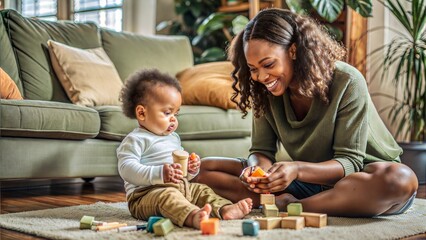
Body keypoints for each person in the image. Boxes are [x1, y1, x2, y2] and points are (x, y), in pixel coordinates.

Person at [194, 8, 419, 217]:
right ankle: (296, 202)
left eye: (269, 64)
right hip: (307, 182)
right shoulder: (264, 90)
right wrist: (257, 170)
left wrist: (297, 169)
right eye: (254, 69)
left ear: (293, 51)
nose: (261, 77)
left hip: (359, 180)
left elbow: (350, 161)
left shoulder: (347, 81)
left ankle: (290, 206)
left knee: (401, 180)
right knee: (203, 170)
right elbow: (261, 150)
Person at [116, 69, 253, 229]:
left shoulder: (173, 138)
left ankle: (224, 209)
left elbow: (183, 175)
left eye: (176, 113)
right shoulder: (135, 139)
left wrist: (190, 169)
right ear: (141, 113)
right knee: (168, 197)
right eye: (167, 113)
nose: (173, 119)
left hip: (181, 188)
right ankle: (192, 216)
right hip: (146, 195)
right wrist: (160, 174)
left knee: (202, 190)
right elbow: (126, 169)